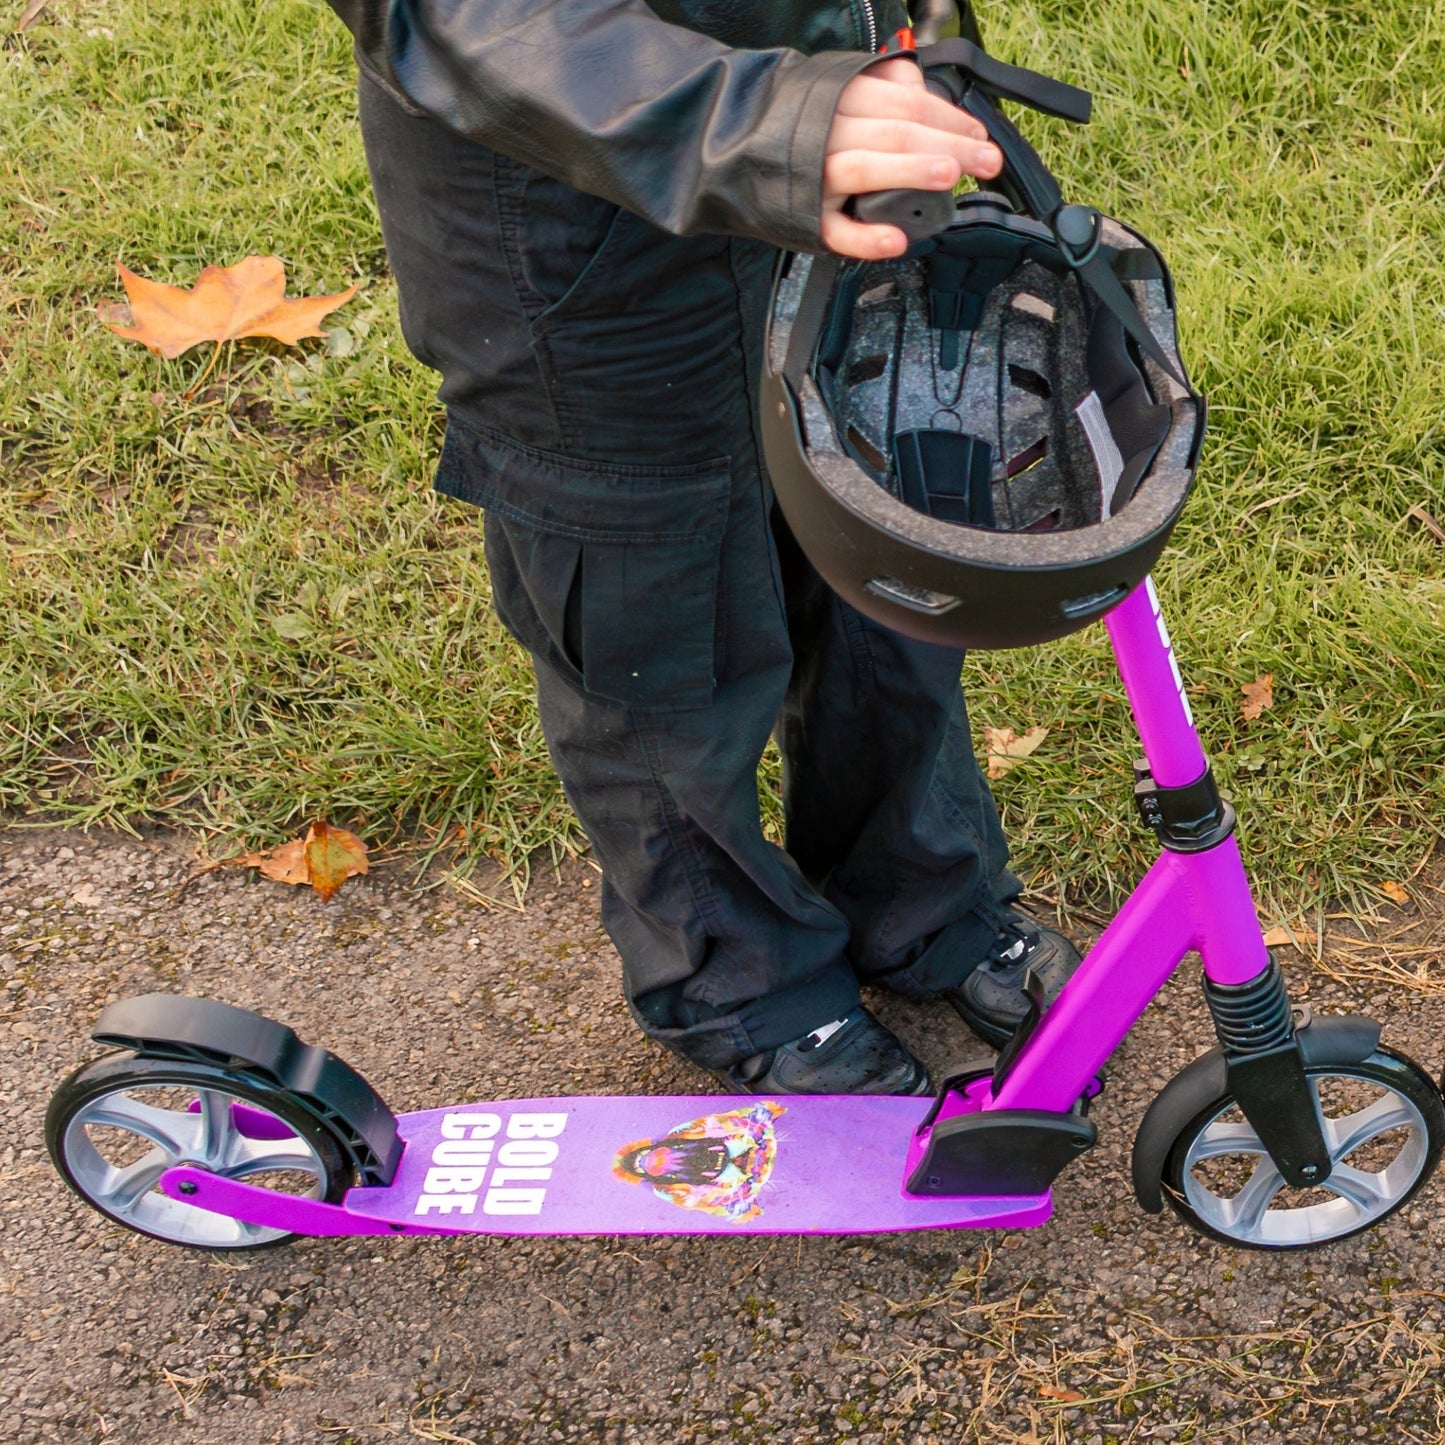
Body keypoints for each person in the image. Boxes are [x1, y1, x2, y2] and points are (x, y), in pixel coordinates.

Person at [323, 0, 1082, 1095]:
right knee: (657, 636)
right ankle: (741, 977)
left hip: (826, 181)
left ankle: (917, 896)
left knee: (873, 558)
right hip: (571, 246)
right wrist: (764, 122)